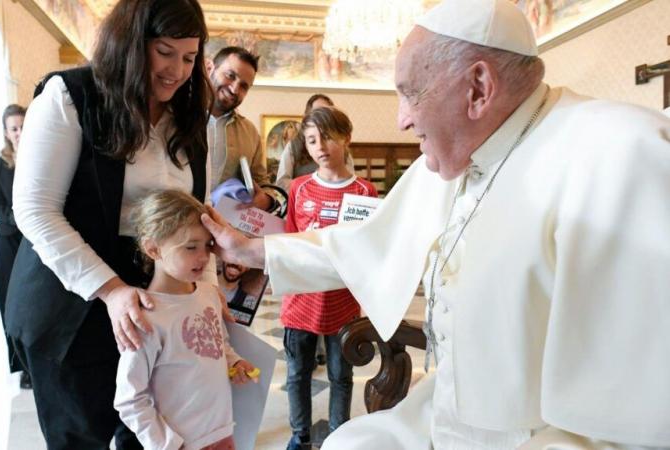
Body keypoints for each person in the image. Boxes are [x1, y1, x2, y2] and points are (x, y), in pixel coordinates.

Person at [201, 0, 670, 448]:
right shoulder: (458, 156)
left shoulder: (623, 156)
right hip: (440, 412)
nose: (401, 120)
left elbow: (629, 418)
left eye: (409, 94)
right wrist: (247, 248)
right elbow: (366, 242)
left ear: (479, 88)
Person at [4, 1, 214, 448]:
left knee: (153, 433)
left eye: (189, 57)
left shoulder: (190, 119)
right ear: (132, 44)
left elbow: (196, 216)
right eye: (165, 52)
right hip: (72, 300)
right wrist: (111, 289)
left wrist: (207, 298)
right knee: (84, 435)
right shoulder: (70, 95)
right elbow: (35, 210)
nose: (177, 70)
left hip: (151, 301)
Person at [114, 190, 255, 450]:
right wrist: (165, 444)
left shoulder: (209, 294)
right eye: (191, 247)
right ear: (153, 248)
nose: (203, 257)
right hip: (182, 443)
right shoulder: (146, 317)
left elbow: (218, 343)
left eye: (207, 246)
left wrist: (234, 362)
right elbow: (130, 398)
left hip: (222, 431)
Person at [281, 107, 377, 450]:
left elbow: (368, 249)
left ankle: (338, 433)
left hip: (343, 301)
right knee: (297, 374)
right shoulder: (299, 188)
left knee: (341, 374)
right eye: (311, 140)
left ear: (346, 137)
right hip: (299, 301)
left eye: (328, 136)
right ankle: (300, 435)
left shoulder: (365, 192)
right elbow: (290, 240)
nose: (320, 146)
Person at [0, 104, 31, 389]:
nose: (19, 133)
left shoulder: (42, 157)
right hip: (11, 241)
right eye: (14, 128)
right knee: (11, 306)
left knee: (33, 304)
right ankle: (22, 367)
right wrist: (20, 219)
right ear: (6, 132)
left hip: (37, 242)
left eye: (23, 126)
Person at [206, 46, 275, 211]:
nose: (235, 89)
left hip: (225, 228)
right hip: (176, 227)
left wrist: (266, 199)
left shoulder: (250, 133)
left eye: (244, 86)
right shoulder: (176, 118)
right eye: (230, 76)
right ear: (210, 69)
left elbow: (262, 182)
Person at [275, 94, 355, 192]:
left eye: (326, 112)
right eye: (312, 141)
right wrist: (311, 189)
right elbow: (282, 182)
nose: (322, 117)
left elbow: (350, 182)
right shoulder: (293, 146)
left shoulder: (341, 148)